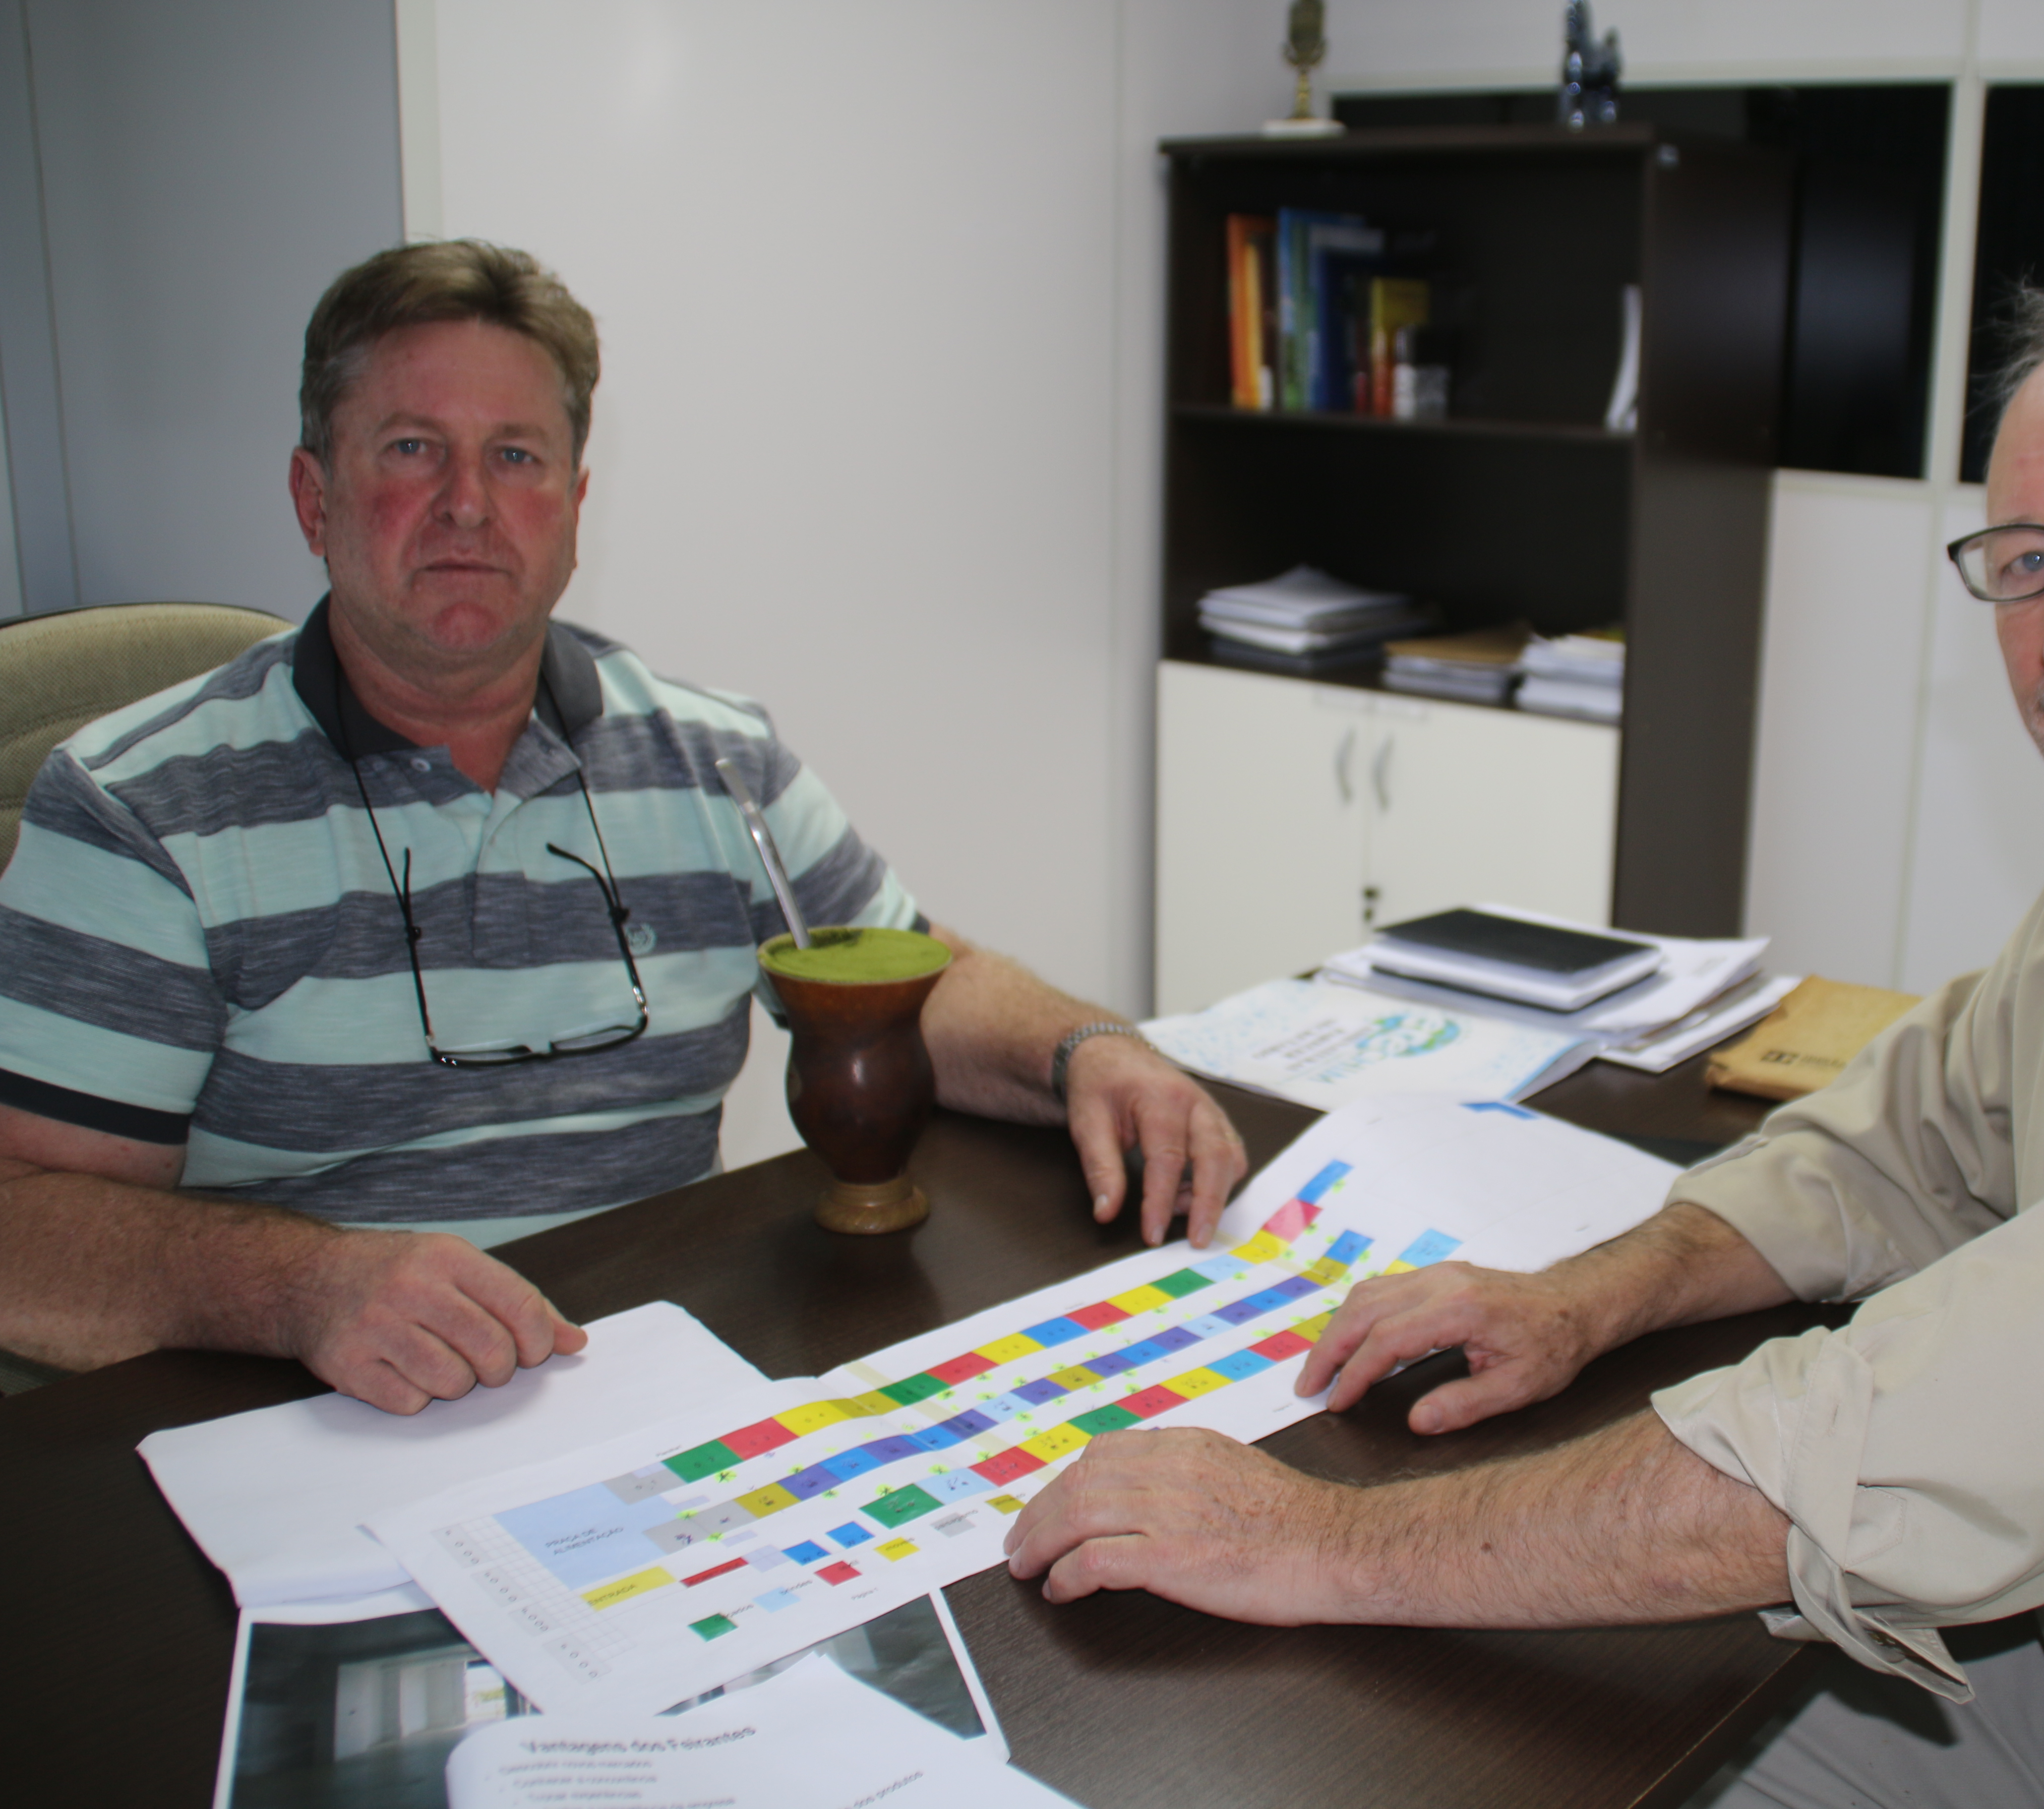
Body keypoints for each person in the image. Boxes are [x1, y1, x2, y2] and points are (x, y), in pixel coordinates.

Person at [1004, 270, 2044, 1808]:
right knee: (1479, 1731)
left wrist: (1326, 1540)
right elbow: (1911, 1133)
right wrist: (1588, 1294)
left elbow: (1968, 1415)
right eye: (2027, 559)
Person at [0, 241, 1246, 1416]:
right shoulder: (142, 808)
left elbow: (912, 984)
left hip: (650, 1389)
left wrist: (1091, 1050)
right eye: (413, 449)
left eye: (516, 457)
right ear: (312, 497)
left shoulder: (714, 760)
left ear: (575, 506)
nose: (468, 506)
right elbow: (23, 1225)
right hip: (308, 1417)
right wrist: (303, 1287)